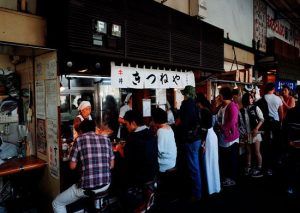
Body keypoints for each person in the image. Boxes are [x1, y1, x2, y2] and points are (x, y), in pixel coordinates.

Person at [52, 120, 115, 213]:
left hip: (88, 187)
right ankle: (97, 207)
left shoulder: (79, 139)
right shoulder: (106, 139)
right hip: (106, 185)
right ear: (94, 129)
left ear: (81, 131)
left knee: (57, 203)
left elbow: (72, 166)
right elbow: (112, 165)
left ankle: (83, 208)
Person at [122, 110, 158, 212]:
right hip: (153, 171)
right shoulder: (150, 132)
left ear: (133, 123)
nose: (126, 127)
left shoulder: (132, 137)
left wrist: (120, 149)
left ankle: (137, 204)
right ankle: (148, 195)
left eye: (126, 124)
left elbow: (127, 157)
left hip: (140, 175)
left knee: (121, 173)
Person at [177, 85, 202, 200]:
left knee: (193, 166)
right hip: (197, 138)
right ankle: (196, 191)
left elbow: (183, 123)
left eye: (184, 94)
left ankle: (197, 193)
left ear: (186, 94)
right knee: (195, 165)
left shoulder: (185, 105)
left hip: (189, 139)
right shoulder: (196, 105)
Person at [196, 93, 220, 195]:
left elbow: (204, 129)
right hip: (211, 136)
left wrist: (203, 143)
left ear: (198, 102)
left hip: (208, 138)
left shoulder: (203, 111)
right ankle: (214, 186)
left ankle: (210, 188)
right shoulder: (207, 109)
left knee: (208, 162)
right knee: (213, 162)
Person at [217, 87, 239, 187]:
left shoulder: (232, 106)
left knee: (231, 159)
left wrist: (222, 128)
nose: (218, 96)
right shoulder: (222, 106)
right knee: (224, 159)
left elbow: (232, 122)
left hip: (231, 138)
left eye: (220, 94)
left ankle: (232, 179)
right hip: (223, 137)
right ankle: (226, 178)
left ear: (223, 95)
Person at [240, 93, 264, 178]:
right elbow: (241, 124)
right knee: (248, 152)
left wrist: (256, 128)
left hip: (255, 133)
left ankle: (259, 168)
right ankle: (248, 167)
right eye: (250, 98)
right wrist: (244, 134)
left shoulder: (255, 107)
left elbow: (262, 119)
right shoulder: (241, 110)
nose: (251, 99)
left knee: (257, 151)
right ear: (246, 99)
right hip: (247, 134)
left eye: (252, 98)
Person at [263, 82, 283, 175]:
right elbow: (281, 112)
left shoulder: (262, 98)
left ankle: (266, 165)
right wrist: (281, 122)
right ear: (273, 89)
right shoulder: (278, 99)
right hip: (276, 123)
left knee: (266, 144)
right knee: (276, 143)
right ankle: (275, 162)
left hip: (265, 123)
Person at [152, 108, 177, 172]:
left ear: (155, 120)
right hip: (172, 160)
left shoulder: (160, 131)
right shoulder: (169, 128)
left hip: (165, 164)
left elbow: (158, 150)